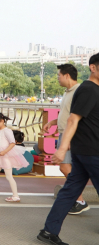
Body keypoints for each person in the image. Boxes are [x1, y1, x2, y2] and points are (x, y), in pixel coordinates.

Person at [38, 54, 99, 245]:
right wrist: (62, 149)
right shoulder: (89, 89)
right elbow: (73, 119)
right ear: (93, 68)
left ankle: (49, 232)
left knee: (69, 193)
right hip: (92, 151)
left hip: (85, 150)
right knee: (69, 192)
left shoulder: (89, 90)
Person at [41, 63, 86, 214]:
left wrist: (69, 140)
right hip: (64, 133)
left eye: (59, 76)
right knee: (69, 167)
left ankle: (79, 200)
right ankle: (78, 199)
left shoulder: (79, 91)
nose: (57, 78)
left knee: (65, 167)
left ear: (67, 75)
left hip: (70, 134)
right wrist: (53, 122)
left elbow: (77, 117)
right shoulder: (68, 92)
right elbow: (66, 113)